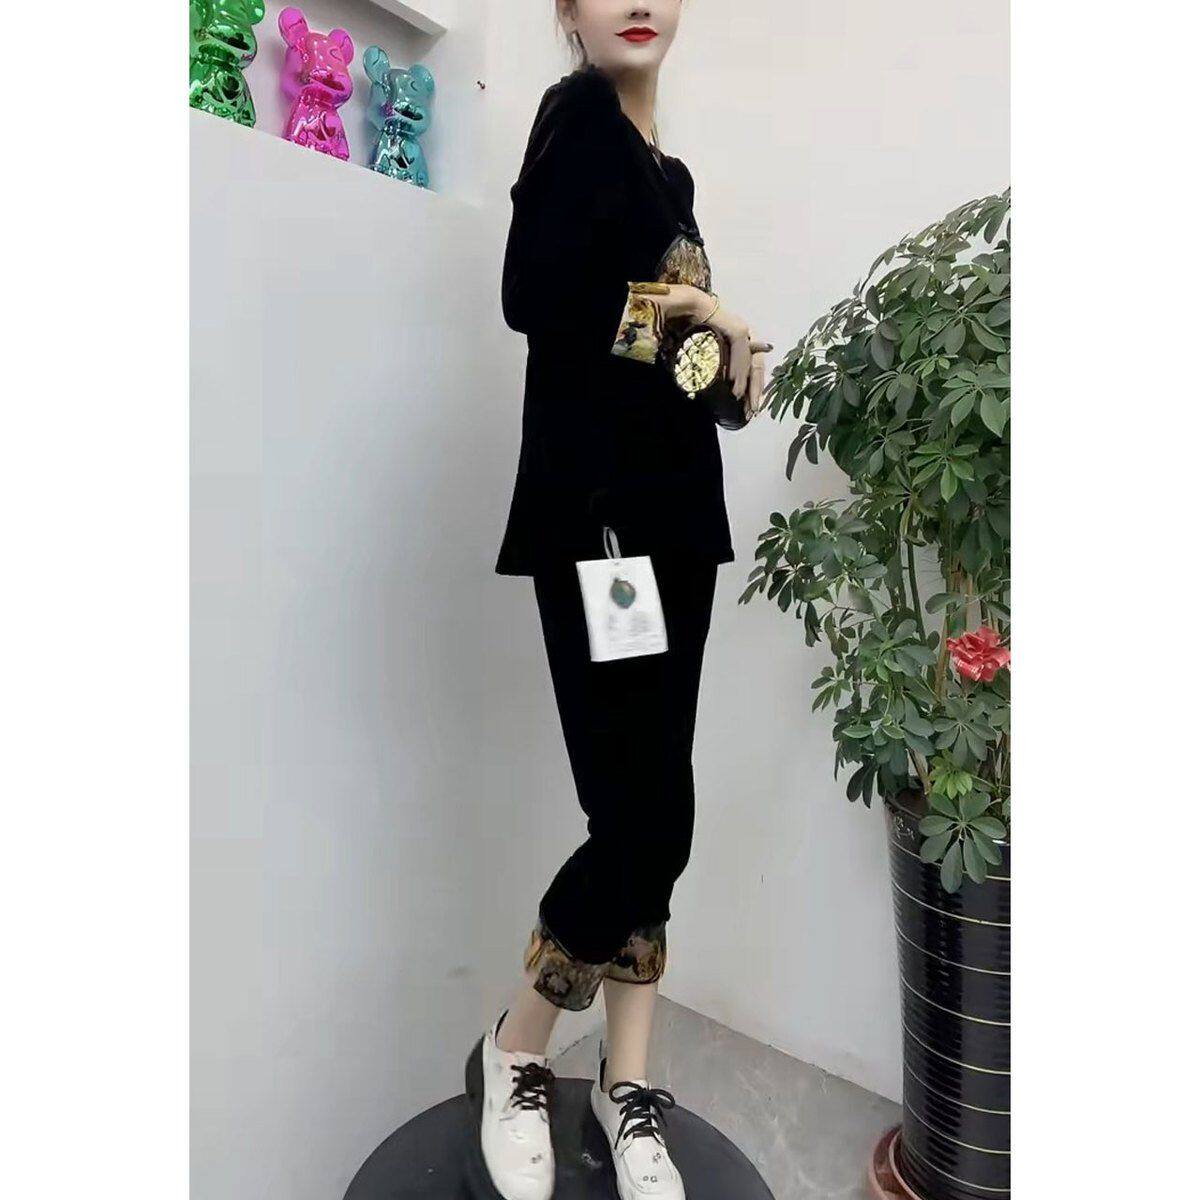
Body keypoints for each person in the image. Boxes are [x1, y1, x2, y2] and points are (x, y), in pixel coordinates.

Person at [465, 5, 769, 1198]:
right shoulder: (576, 116)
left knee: (658, 803)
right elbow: (535, 297)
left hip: (679, 521)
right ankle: (518, 1044)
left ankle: (627, 1082)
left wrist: (731, 365)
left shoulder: (668, 176)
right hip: (599, 525)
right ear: (567, 12)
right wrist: (695, 314)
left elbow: (674, 373)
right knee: (642, 820)